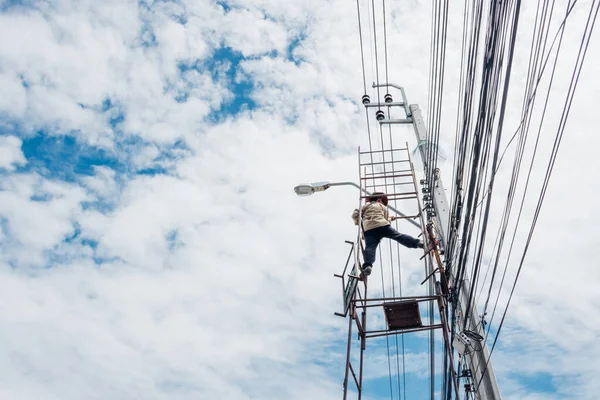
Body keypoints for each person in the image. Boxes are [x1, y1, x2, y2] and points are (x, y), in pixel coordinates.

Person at [352, 192, 424, 276]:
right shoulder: (383, 207)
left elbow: (355, 214)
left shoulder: (365, 206)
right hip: (382, 225)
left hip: (369, 229)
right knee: (398, 236)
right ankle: (417, 243)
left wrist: (360, 223)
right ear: (379, 200)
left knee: (370, 247)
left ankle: (368, 265)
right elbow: (385, 219)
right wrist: (390, 219)